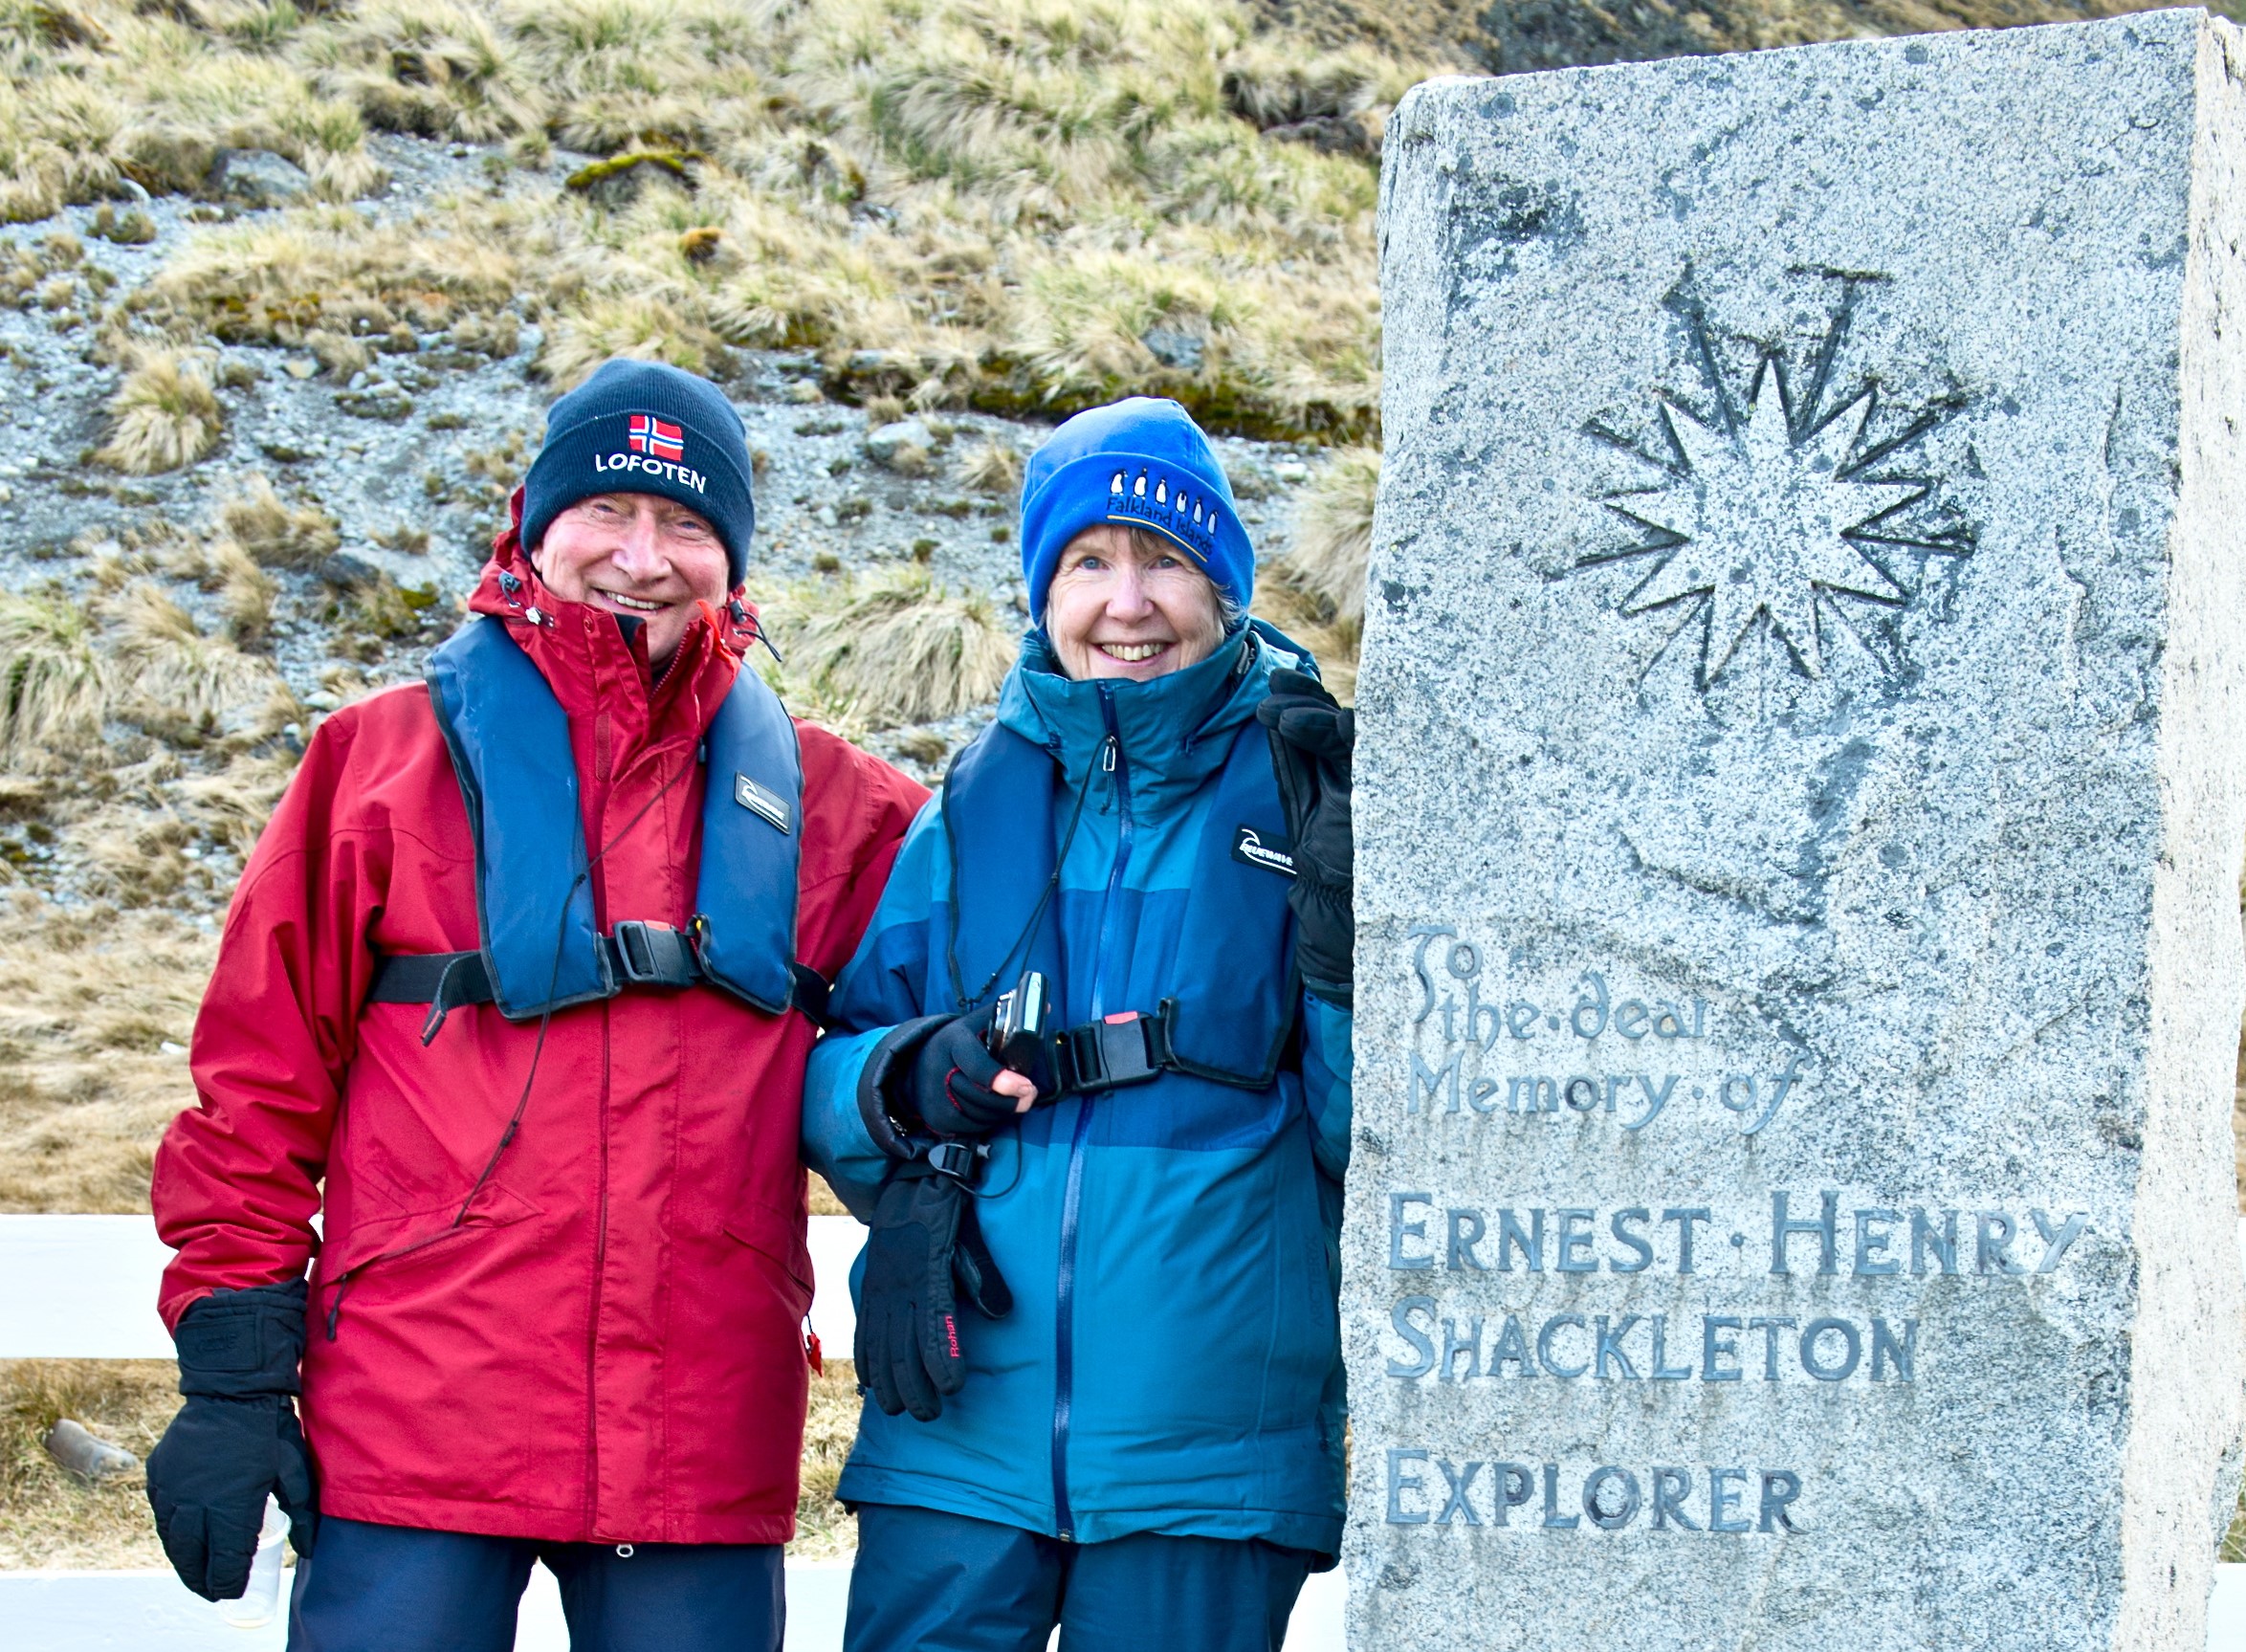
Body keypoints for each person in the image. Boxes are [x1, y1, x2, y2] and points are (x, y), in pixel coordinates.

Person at [146, 360, 928, 1651]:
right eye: (606, 511)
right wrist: (232, 1375)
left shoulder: (845, 812)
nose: (642, 554)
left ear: (730, 560)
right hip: (411, 1440)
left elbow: (977, 1002)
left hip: (696, 1448)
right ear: (533, 524)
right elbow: (256, 1089)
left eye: (686, 523)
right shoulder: (372, 767)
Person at [802, 396, 1357, 1652]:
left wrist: (1338, 961)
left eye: (1165, 558)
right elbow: (824, 1078)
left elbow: (1372, 1141)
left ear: (1222, 585)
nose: (1128, 600)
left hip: (1203, 1467)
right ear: (1041, 593)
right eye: (1088, 561)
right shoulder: (973, 804)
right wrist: (895, 1084)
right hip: (952, 1439)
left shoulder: (1315, 793)